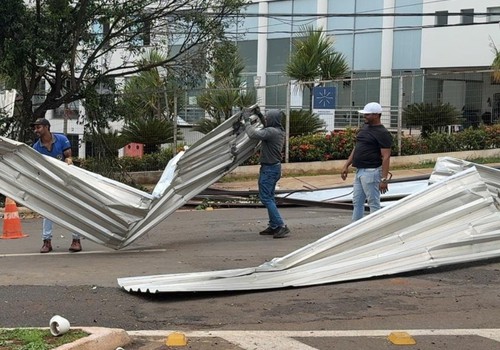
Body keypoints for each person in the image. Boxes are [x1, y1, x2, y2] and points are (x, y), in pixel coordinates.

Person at [31, 118, 82, 253]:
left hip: (66, 180)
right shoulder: (36, 147)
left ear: (47, 127)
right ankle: (46, 241)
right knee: (48, 212)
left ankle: (76, 240)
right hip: (50, 183)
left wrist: (69, 160)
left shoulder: (61, 139)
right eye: (35, 128)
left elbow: (68, 156)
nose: (36, 130)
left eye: (39, 127)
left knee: (73, 209)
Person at [340, 102, 392, 222]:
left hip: (371, 172)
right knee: (357, 202)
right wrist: (346, 165)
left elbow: (386, 156)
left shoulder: (382, 133)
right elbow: (357, 147)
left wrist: (383, 179)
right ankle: (354, 229)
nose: (365, 117)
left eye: (367, 115)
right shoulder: (365, 128)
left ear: (376, 115)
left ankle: (377, 230)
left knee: (373, 203)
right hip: (359, 172)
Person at [244, 109, 290, 239]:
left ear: (272, 119)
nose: (266, 118)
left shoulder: (271, 132)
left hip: (269, 170)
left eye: (267, 117)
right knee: (269, 197)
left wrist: (246, 120)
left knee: (266, 198)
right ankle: (274, 226)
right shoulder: (278, 131)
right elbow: (267, 126)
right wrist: (259, 115)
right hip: (274, 168)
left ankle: (280, 226)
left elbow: (252, 134)